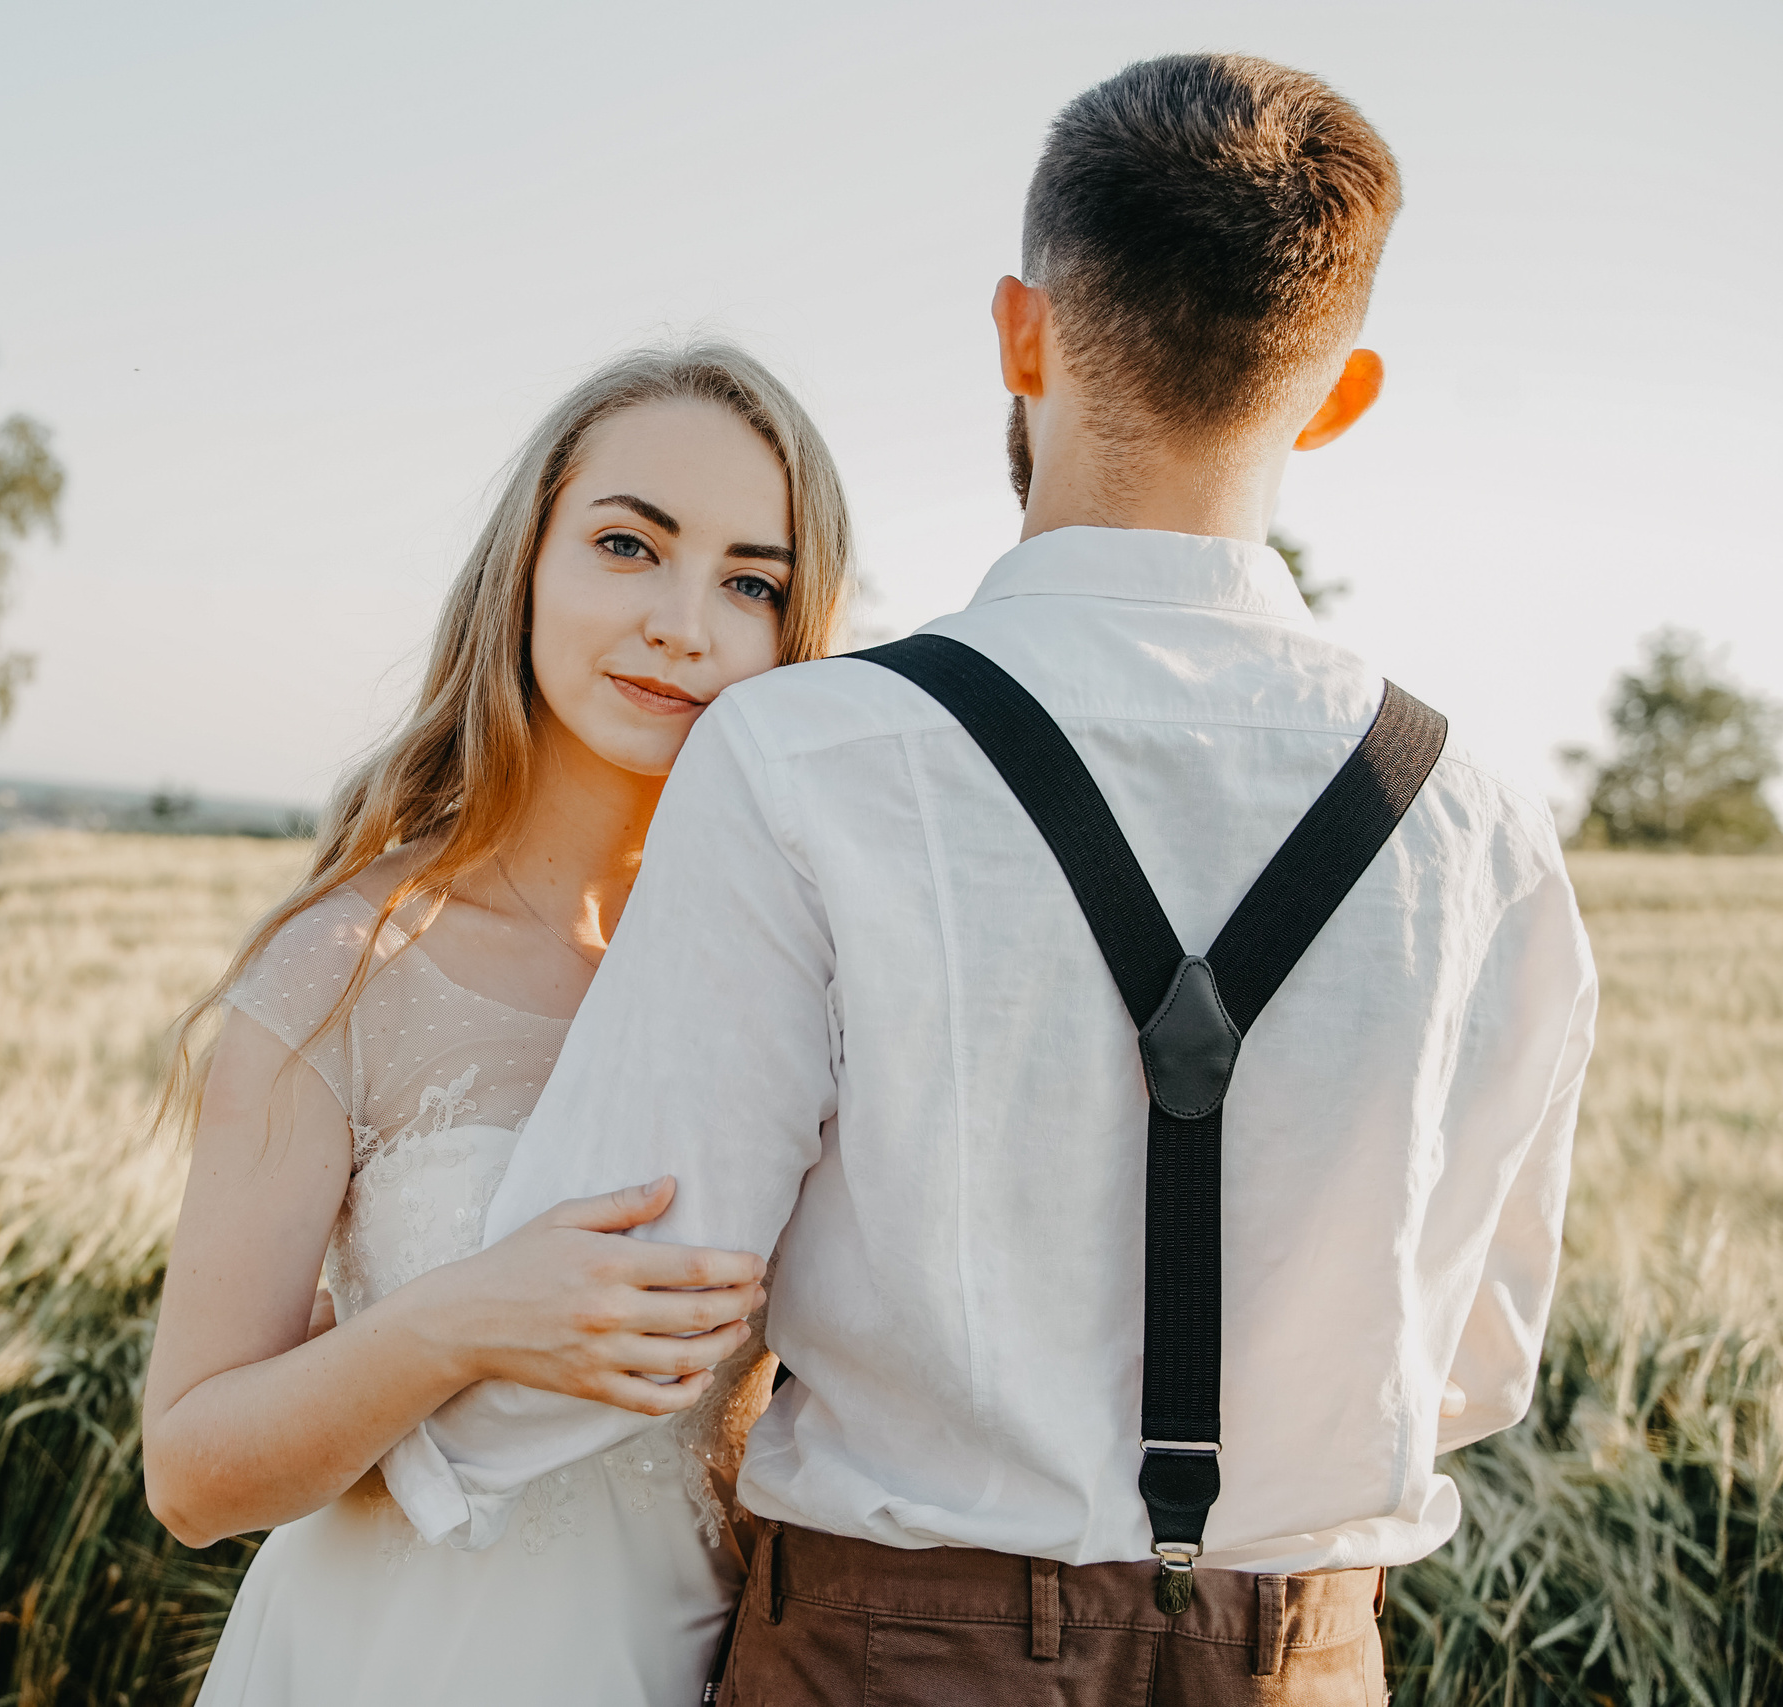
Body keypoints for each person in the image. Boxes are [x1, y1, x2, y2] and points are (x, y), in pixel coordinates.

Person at [391, 54, 1598, 1705]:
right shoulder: (1481, 824)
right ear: (1338, 396)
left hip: (893, 1650)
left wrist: (398, 1460)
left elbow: (636, 1298)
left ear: (1022, 334)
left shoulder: (811, 752)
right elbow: (1471, 1361)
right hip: (1300, 1656)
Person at [143, 341, 856, 1705]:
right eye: (629, 546)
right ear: (525, 565)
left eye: (750, 581)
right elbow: (191, 1476)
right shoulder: (349, 965)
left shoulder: (798, 989)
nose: (684, 624)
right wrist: (462, 1323)